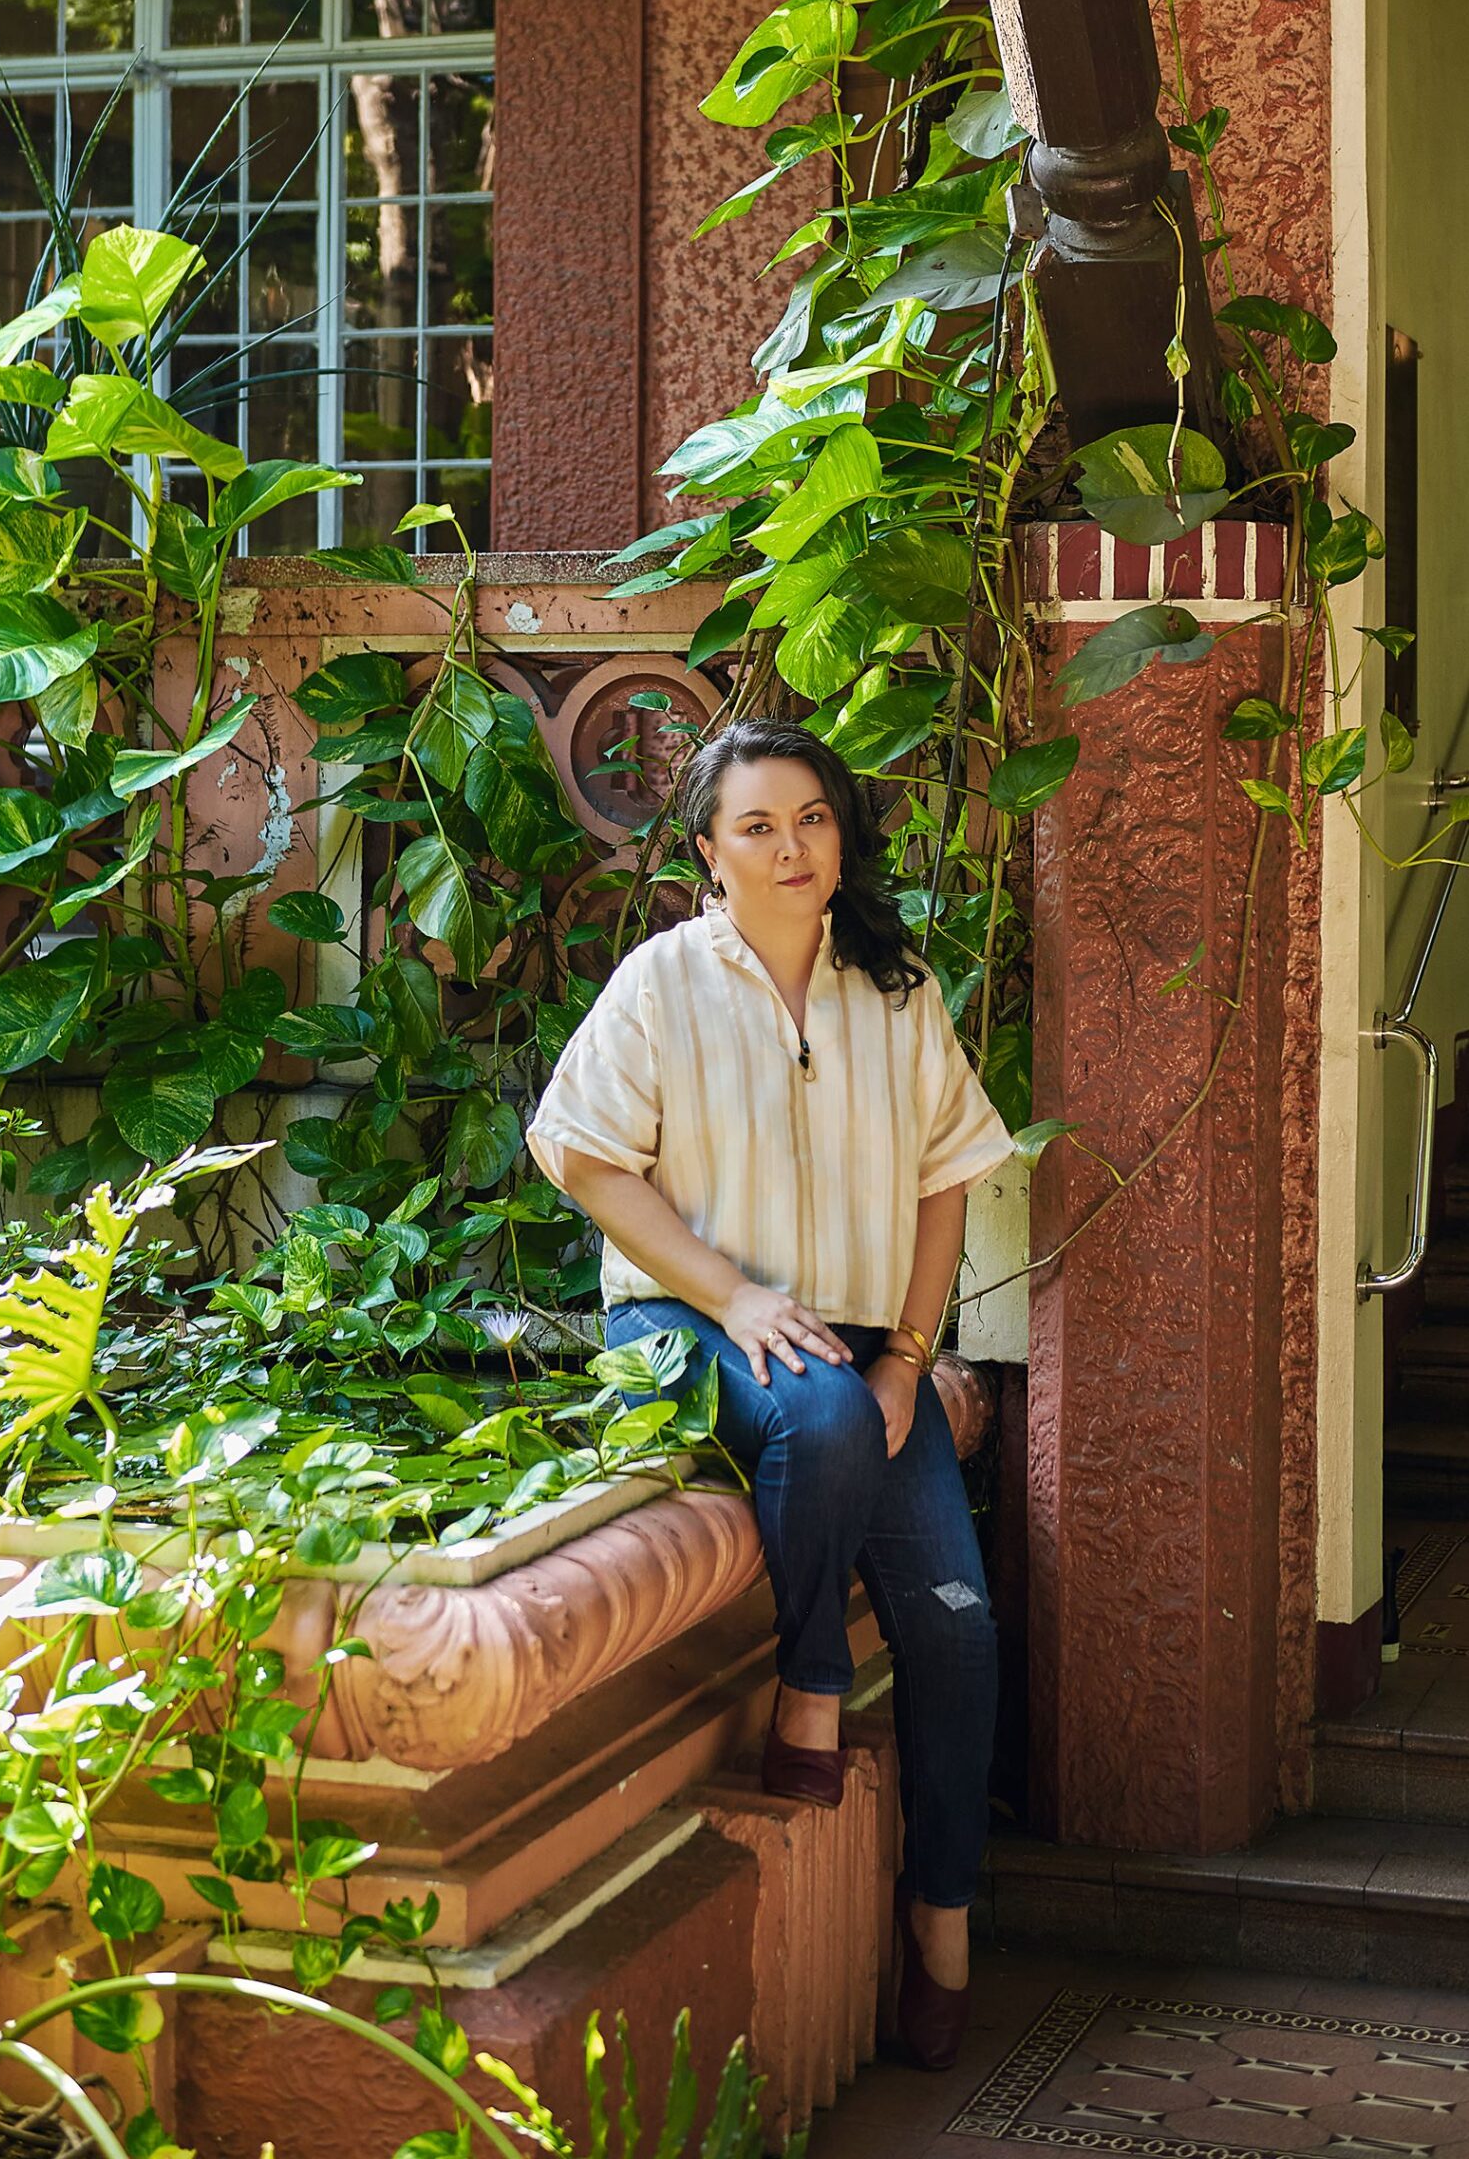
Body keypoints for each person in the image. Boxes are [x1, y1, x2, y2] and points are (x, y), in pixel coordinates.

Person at [526, 719, 1013, 2070]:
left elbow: (943, 1176)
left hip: (861, 1343)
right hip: (691, 1318)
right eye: (756, 825)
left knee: (960, 1630)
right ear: (704, 853)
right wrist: (733, 1296)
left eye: (810, 818)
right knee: (819, 1415)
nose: (791, 846)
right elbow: (580, 1156)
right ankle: (807, 1679)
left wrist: (910, 1350)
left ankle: (942, 1919)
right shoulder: (660, 982)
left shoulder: (893, 989)